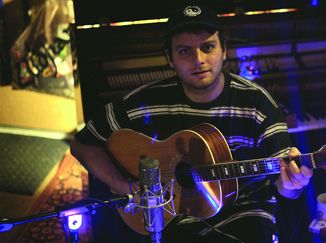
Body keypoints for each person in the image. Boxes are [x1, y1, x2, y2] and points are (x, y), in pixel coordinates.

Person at [70, 2, 313, 243]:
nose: (198, 60)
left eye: (208, 47)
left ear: (224, 50)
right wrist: (123, 186)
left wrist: (295, 182)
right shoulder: (146, 100)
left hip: (242, 213)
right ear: (169, 58)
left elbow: (285, 184)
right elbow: (83, 144)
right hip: (168, 214)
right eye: (185, 51)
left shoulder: (258, 104)